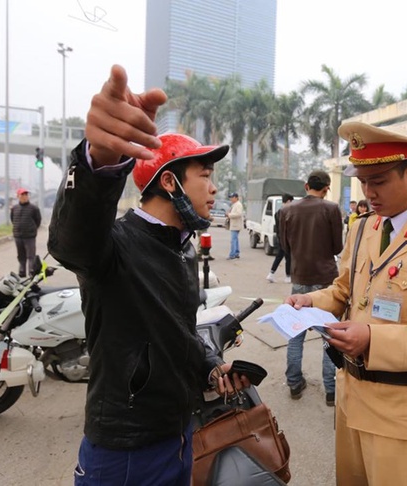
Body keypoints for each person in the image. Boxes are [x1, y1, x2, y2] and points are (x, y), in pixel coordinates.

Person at [47, 65, 252, 486]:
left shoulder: (182, 249)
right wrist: (99, 161)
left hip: (178, 434)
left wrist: (212, 366)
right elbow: (71, 241)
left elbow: (177, 331)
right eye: (206, 175)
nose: (214, 189)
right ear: (171, 182)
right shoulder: (114, 245)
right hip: (125, 450)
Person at [286, 121, 407, 485]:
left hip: (399, 416)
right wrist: (309, 300)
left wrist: (372, 339)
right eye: (363, 181)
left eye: (379, 181)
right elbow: (344, 292)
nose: (369, 192)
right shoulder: (363, 227)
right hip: (350, 401)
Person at [279, 170, 343, 405]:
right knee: (330, 335)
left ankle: (294, 383)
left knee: (296, 333)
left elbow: (284, 246)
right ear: (326, 188)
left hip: (299, 277)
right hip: (326, 280)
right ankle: (331, 390)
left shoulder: (286, 210)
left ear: (306, 186)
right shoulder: (331, 209)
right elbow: (337, 247)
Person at [10, 188, 41, 278]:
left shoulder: (34, 208)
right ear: (18, 196)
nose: (24, 197)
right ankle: (22, 272)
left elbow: (38, 220)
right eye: (22, 195)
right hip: (18, 236)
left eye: (26, 195)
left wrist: (33, 229)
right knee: (21, 256)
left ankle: (32, 273)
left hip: (29, 236)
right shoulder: (14, 208)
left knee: (31, 256)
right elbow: (12, 219)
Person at [266, 193, 294, 283]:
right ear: (289, 201)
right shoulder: (287, 212)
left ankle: (271, 273)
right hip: (286, 239)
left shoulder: (278, 212)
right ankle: (288, 276)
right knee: (288, 257)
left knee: (279, 256)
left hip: (279, 238)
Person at [226, 191, 243, 260]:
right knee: (235, 239)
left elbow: (239, 214)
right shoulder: (235, 204)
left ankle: (232, 254)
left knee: (233, 240)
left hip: (236, 225)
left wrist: (229, 215)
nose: (231, 199)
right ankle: (236, 253)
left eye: (232, 197)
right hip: (234, 224)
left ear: (236, 198)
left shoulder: (238, 205)